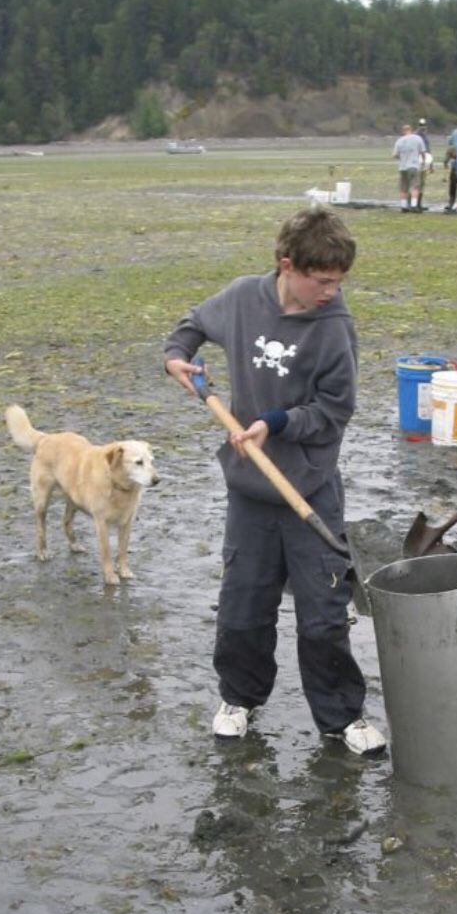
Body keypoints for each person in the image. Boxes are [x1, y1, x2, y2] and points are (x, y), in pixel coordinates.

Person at [163, 206, 386, 756]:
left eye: (339, 281)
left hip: (310, 489)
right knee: (243, 605)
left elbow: (335, 412)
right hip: (250, 493)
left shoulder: (335, 329)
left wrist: (279, 422)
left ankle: (342, 717)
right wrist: (178, 358)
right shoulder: (243, 298)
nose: (332, 291)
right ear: (288, 265)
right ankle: (238, 699)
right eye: (323, 280)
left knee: (324, 614)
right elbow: (190, 327)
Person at [393, 123, 427, 212]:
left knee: (404, 187)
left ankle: (404, 206)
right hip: (413, 165)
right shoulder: (417, 138)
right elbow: (423, 152)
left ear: (403, 131)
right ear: (411, 130)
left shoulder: (399, 141)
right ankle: (413, 205)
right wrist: (423, 162)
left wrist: (402, 158)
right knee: (415, 186)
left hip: (402, 167)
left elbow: (395, 155)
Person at [415, 117, 434, 209]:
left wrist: (431, 164)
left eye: (424, 125)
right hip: (417, 162)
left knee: (422, 183)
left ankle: (419, 203)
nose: (422, 127)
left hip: (425, 162)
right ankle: (414, 203)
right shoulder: (415, 137)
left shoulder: (426, 137)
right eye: (421, 125)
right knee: (416, 183)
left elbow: (428, 151)